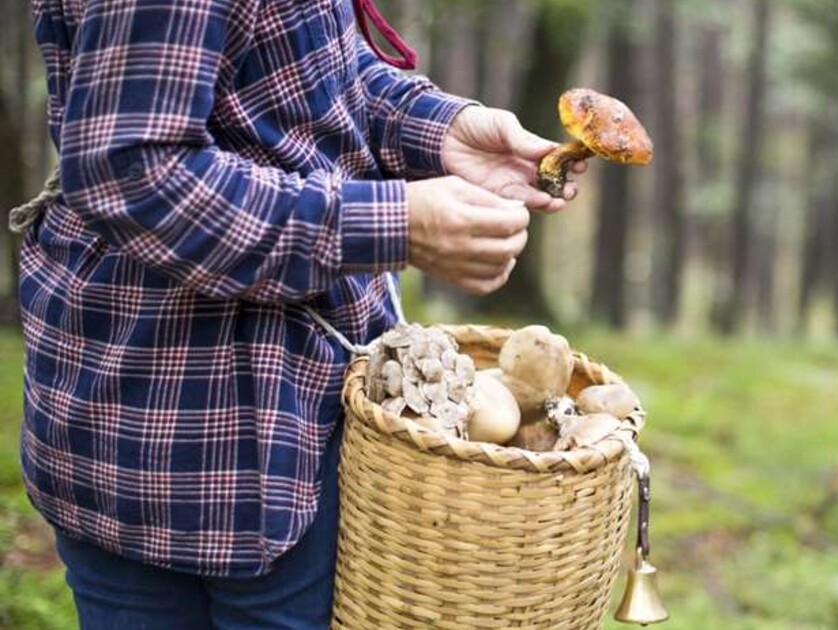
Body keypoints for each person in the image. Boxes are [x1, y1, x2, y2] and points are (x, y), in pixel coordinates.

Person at [17, 0, 583, 627]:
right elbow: (132, 171)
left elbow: (300, 71)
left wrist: (441, 129)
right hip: (198, 425)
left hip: (289, 413)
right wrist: (390, 223)